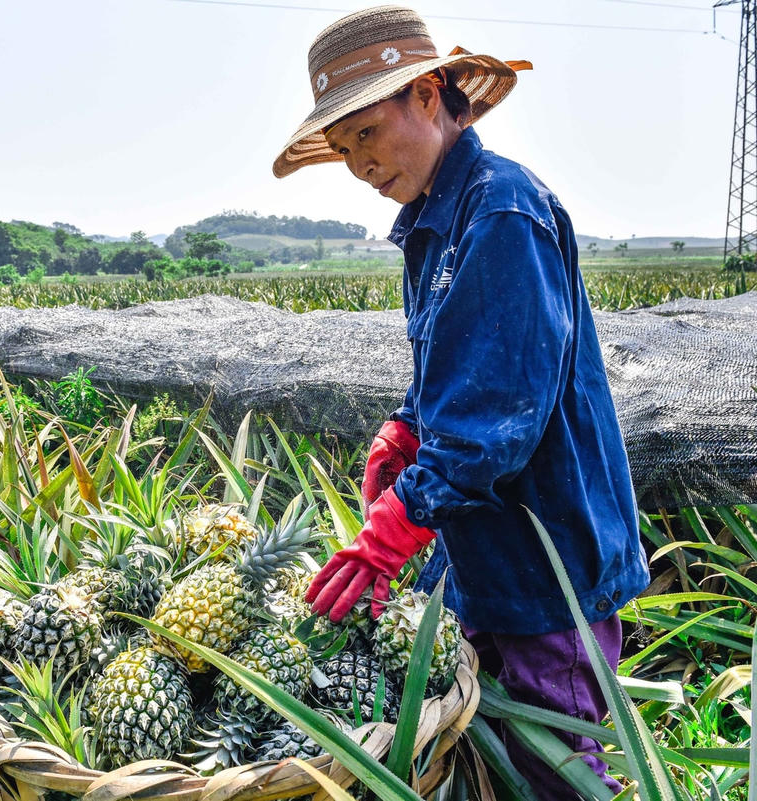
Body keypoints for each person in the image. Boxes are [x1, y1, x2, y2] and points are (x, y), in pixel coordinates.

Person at [273, 6, 650, 798]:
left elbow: (493, 423)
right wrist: (405, 426)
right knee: (491, 768)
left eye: (366, 134)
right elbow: (449, 369)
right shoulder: (430, 223)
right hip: (482, 555)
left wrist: (389, 535)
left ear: (428, 91)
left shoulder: (501, 209)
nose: (359, 165)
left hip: (550, 566)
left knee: (560, 778)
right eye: (342, 151)